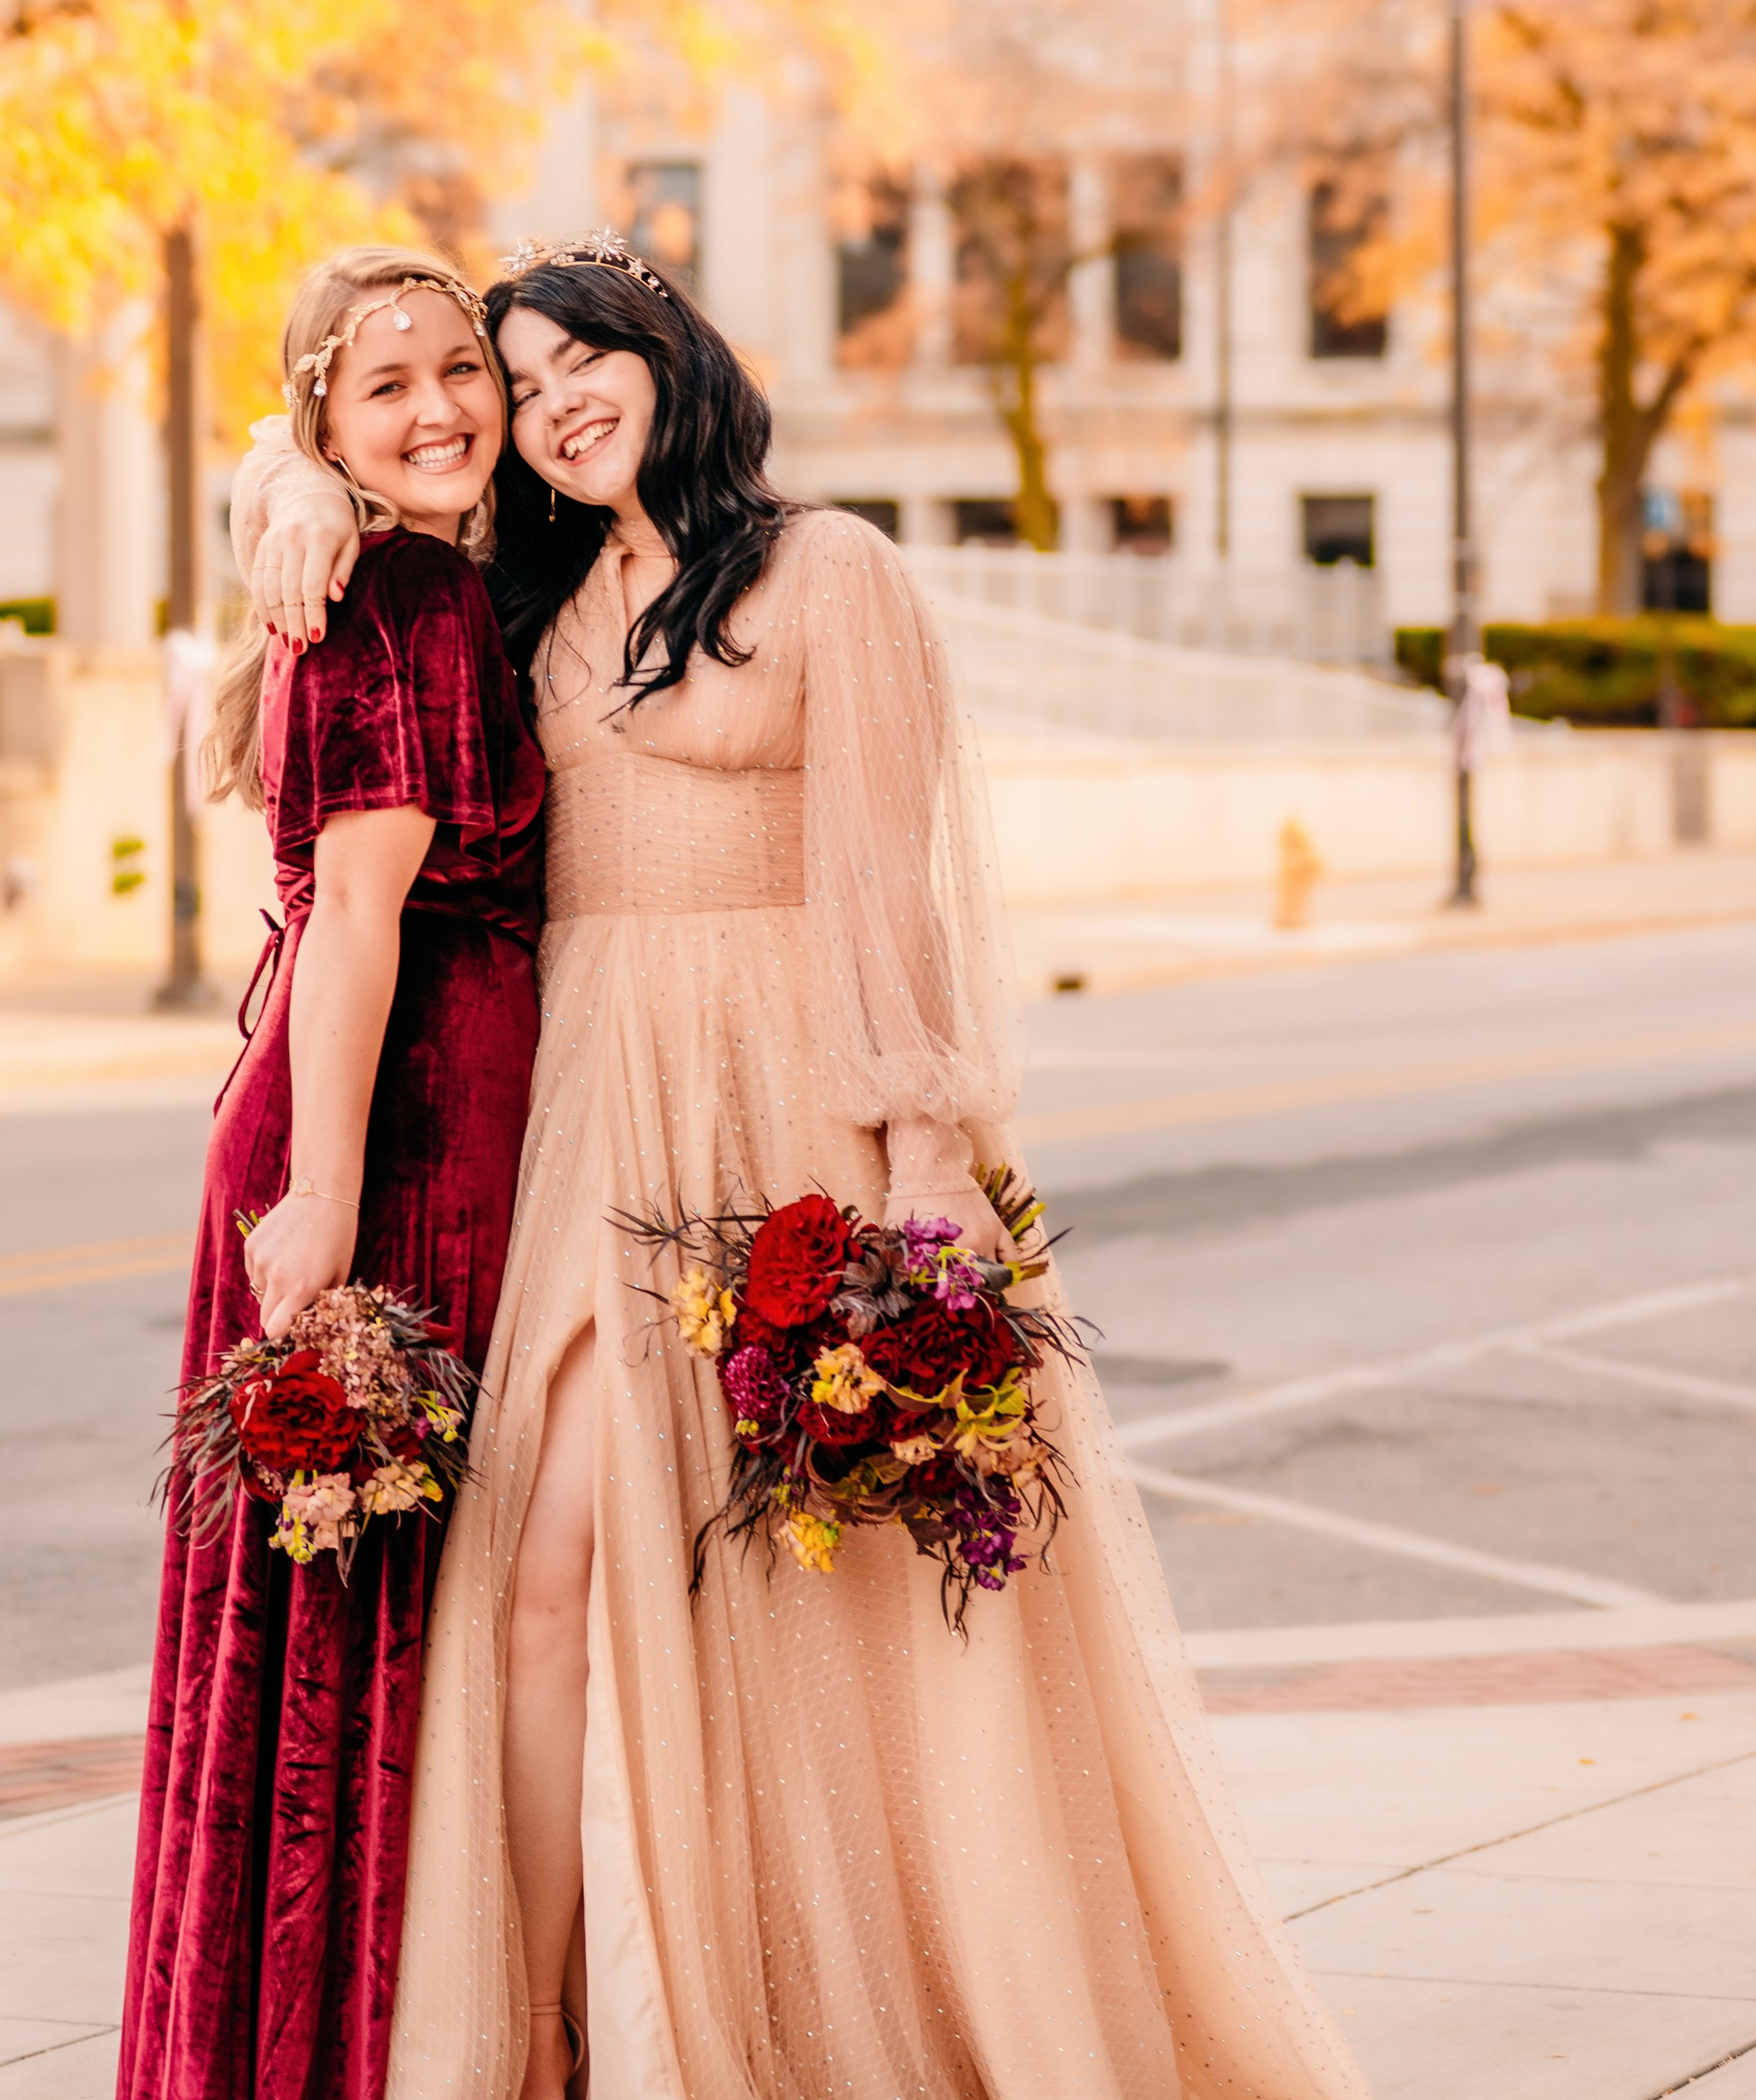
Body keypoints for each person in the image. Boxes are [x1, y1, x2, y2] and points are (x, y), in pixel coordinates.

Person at [237, 233, 1366, 2100]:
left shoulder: (829, 570)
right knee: (540, 1564)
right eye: (517, 378)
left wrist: (923, 1200)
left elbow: (887, 900)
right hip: (593, 1099)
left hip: (791, 1107)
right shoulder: (522, 581)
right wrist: (273, 480)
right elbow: (347, 471)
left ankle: (832, 2000)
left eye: (579, 349)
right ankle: (534, 2031)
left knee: (808, 1589)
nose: (546, 395)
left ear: (669, 351)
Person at [120, 248, 547, 2100]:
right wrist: (326, 1194)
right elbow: (364, 918)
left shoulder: (403, 564)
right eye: (387, 389)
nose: (442, 407)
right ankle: (344, 2049)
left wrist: (278, 476)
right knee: (365, 1596)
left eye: (464, 369)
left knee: (341, 1593)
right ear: (325, 417)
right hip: (395, 1126)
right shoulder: (409, 595)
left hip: (362, 1107)